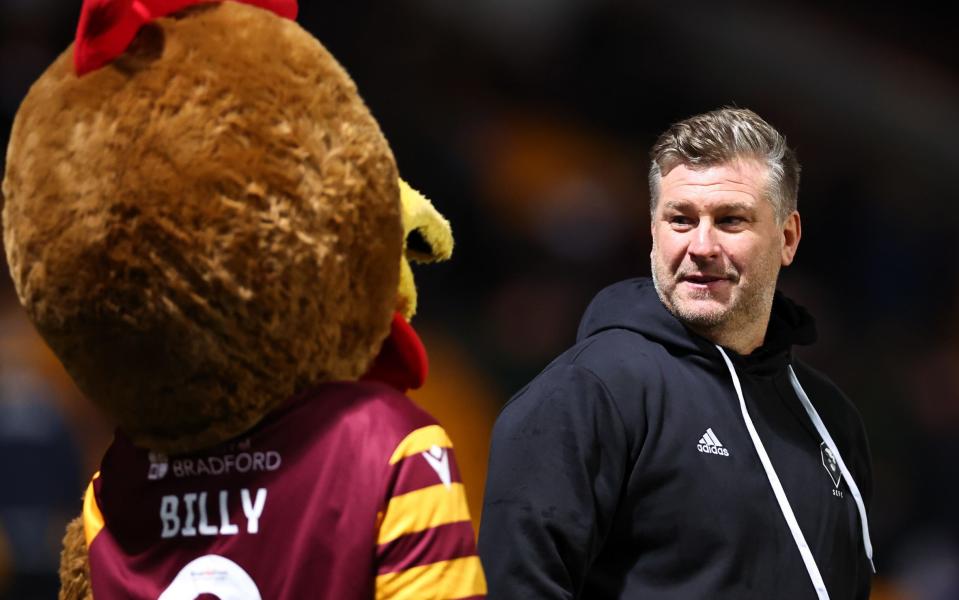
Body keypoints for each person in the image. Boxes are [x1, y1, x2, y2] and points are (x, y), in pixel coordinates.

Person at [478, 107, 875, 599]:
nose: (701, 245)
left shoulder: (832, 420)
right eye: (681, 219)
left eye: (731, 220)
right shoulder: (591, 390)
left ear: (788, 237)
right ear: (652, 231)